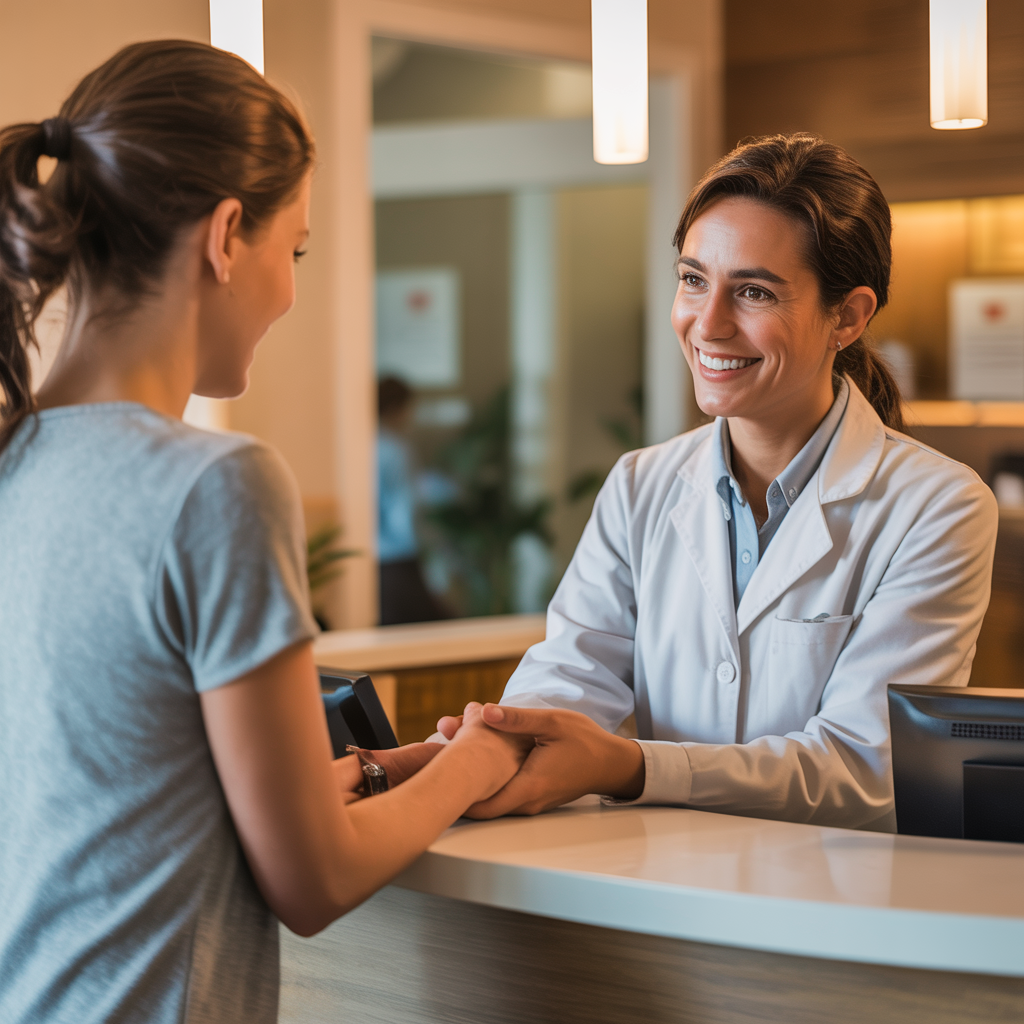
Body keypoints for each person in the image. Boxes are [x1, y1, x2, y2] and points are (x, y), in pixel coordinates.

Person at [0, 41, 525, 1024]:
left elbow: (112, 800)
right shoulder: (213, 483)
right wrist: (475, 763)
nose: (289, 289)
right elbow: (311, 879)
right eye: (296, 250)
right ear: (227, 235)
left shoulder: (16, 460)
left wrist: (379, 770)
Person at [436, 134, 999, 831]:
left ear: (848, 317)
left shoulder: (937, 507)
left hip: (833, 900)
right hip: (669, 889)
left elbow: (863, 765)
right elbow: (568, 683)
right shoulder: (641, 483)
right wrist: (459, 759)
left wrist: (630, 765)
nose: (707, 324)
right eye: (693, 279)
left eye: (754, 291)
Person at [377, 374, 451, 624]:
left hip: (376, 559)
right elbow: (404, 512)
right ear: (397, 408)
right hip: (399, 558)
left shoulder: (364, 445)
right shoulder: (396, 450)